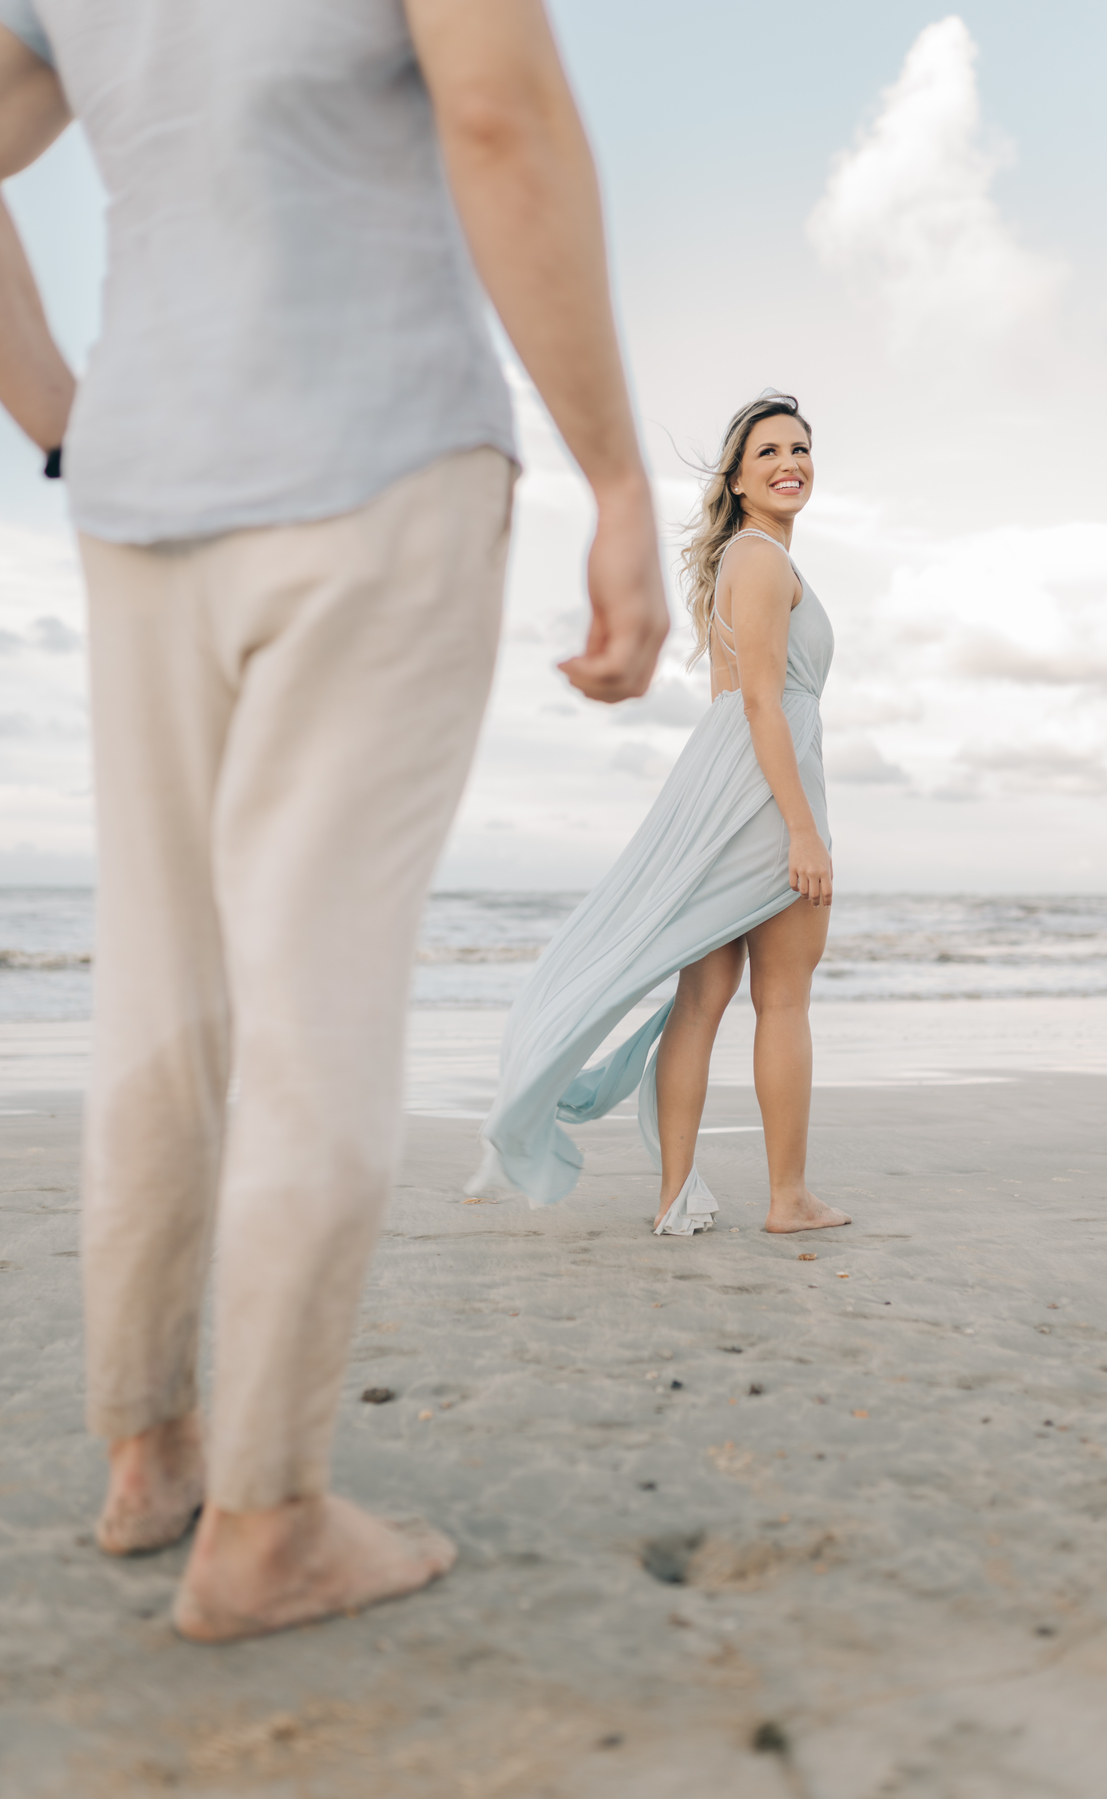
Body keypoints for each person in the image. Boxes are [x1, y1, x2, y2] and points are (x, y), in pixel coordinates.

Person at [0, 0, 668, 1641]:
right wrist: (620, 480)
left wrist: (62, 412)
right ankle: (269, 1522)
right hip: (374, 452)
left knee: (158, 988)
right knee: (321, 1000)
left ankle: (151, 1448)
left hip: (140, 480)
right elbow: (500, 116)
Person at [470, 392, 849, 1238]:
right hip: (764, 794)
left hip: (728, 789)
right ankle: (788, 1199)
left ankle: (677, 1197)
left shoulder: (745, 560)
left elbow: (738, 704)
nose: (790, 462)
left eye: (800, 448)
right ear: (738, 480)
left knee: (702, 997)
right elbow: (761, 704)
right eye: (768, 452)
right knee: (782, 999)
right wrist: (801, 827)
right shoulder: (762, 560)